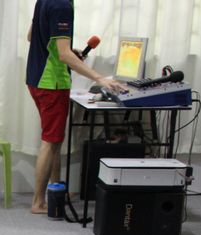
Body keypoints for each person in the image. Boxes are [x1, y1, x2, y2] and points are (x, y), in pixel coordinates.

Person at [26, 0, 128, 214]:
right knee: (50, 141)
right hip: (51, 83)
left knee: (54, 139)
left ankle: (55, 190)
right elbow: (63, 55)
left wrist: (69, 52)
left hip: (36, 79)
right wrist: (99, 78)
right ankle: (38, 203)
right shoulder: (62, 5)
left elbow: (33, 36)